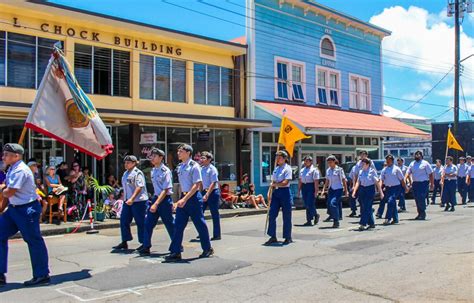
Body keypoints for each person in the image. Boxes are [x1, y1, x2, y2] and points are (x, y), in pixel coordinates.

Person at [0, 143, 50, 286]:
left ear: (16, 156)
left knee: (33, 240)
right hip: (14, 209)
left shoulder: (20, 170)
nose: (3, 157)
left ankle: (42, 274)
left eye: (6, 154)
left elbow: (10, 192)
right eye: (3, 154)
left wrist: (2, 189)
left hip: (26, 209)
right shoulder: (12, 168)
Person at [166, 144, 213, 261]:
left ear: (188, 153)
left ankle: (207, 248)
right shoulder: (180, 167)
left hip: (193, 198)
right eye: (178, 151)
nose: (178, 153)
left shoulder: (194, 166)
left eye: (181, 151)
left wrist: (185, 199)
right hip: (184, 196)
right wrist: (178, 200)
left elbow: (196, 185)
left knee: (199, 223)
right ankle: (176, 251)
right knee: (178, 225)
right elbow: (182, 186)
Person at [139, 148, 175, 256]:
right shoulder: (153, 170)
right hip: (156, 198)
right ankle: (146, 246)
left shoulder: (166, 171)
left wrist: (156, 203)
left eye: (154, 156)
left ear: (161, 158)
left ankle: (177, 245)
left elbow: (166, 189)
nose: (152, 158)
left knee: (169, 224)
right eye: (152, 156)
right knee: (148, 223)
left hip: (164, 200)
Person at [113, 155, 148, 251]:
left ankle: (144, 243)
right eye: (125, 162)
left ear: (134, 163)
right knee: (124, 220)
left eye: (128, 162)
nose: (126, 164)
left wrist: (132, 199)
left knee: (140, 222)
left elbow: (139, 187)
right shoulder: (125, 174)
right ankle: (125, 241)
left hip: (138, 201)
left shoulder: (137, 173)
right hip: (127, 201)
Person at [264, 150, 293, 245]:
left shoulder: (287, 169)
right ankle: (272, 236)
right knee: (272, 214)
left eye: (280, 157)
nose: (278, 159)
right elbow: (272, 182)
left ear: (285, 159)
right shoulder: (276, 169)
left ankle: (287, 237)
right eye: (277, 157)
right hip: (276, 192)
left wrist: (275, 184)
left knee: (286, 216)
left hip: (284, 192)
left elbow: (286, 182)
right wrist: (269, 193)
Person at [352, 158, 383, 231]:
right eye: (361, 164)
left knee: (366, 206)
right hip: (362, 189)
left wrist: (381, 192)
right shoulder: (360, 172)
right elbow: (358, 182)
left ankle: (363, 223)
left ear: (368, 164)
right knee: (364, 207)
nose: (362, 165)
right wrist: (354, 191)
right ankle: (371, 223)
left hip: (370, 189)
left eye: (363, 164)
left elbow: (377, 182)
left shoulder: (372, 171)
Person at [405, 150, 434, 220]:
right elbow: (408, 172)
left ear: (421, 156)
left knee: (421, 198)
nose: (417, 156)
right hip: (415, 183)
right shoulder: (412, 164)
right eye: (416, 154)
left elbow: (431, 174)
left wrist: (432, 184)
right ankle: (419, 213)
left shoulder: (425, 163)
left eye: (418, 154)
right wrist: (405, 178)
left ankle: (423, 213)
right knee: (417, 198)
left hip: (423, 183)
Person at [321, 155, 348, 228]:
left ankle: (336, 220)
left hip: (338, 189)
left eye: (331, 162)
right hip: (331, 189)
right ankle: (335, 217)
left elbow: (343, 180)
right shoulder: (328, 170)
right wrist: (324, 189)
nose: (329, 164)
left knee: (333, 203)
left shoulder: (339, 170)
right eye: (328, 162)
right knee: (329, 204)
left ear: (334, 162)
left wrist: (346, 191)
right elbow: (327, 181)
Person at [380, 155, 407, 225]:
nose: (387, 161)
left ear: (392, 160)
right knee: (393, 203)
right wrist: (380, 188)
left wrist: (405, 187)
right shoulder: (384, 170)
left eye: (389, 160)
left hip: (396, 188)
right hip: (388, 188)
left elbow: (402, 179)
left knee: (390, 201)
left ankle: (388, 218)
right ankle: (395, 219)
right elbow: (381, 180)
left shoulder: (397, 169)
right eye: (386, 160)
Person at [200, 151, 221, 241]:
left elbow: (213, 182)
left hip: (212, 192)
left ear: (209, 159)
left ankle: (217, 234)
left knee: (214, 214)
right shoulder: (201, 169)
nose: (202, 160)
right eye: (201, 158)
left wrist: (207, 194)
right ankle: (202, 232)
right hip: (204, 192)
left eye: (204, 158)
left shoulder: (212, 169)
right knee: (199, 213)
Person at [298, 155, 320, 226]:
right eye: (305, 161)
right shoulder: (302, 170)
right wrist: (299, 190)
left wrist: (316, 191)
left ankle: (315, 214)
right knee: (306, 203)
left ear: (311, 162)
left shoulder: (314, 170)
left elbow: (316, 181)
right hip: (304, 186)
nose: (306, 162)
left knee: (309, 203)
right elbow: (300, 180)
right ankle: (309, 220)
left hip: (311, 186)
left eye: (307, 161)